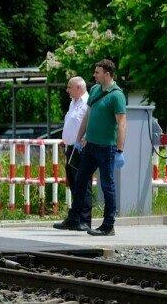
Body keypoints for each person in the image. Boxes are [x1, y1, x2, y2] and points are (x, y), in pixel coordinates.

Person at [53, 59, 127, 236]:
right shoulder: (94, 90)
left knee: (107, 185)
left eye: (97, 72)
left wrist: (120, 150)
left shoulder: (117, 95)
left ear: (107, 74)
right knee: (79, 181)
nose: (94, 75)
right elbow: (87, 115)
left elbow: (122, 123)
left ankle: (108, 225)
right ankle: (74, 218)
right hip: (90, 146)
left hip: (106, 148)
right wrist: (79, 138)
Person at [61, 75, 90, 226]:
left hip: (81, 148)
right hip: (70, 147)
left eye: (69, 87)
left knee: (83, 184)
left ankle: (84, 220)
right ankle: (74, 218)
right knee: (73, 184)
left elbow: (89, 124)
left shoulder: (87, 103)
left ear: (78, 87)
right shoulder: (73, 102)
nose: (67, 90)